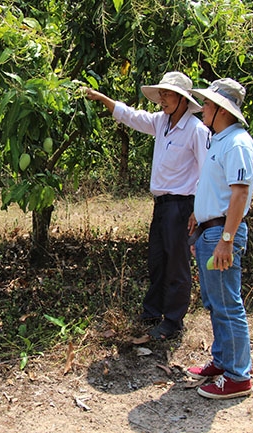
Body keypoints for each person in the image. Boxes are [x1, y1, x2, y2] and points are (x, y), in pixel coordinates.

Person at [85, 72, 209, 340]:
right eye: (161, 94)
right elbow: (131, 116)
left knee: (177, 263)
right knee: (157, 260)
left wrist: (198, 211)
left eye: (168, 95)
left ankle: (173, 321)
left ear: (183, 100)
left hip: (182, 205)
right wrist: (102, 98)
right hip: (162, 204)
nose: (162, 100)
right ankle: (153, 311)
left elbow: (207, 171)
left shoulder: (196, 130)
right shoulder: (161, 123)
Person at [185, 78, 253, 399]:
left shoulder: (237, 143)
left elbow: (239, 194)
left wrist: (226, 238)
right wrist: (197, 216)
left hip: (222, 232)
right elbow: (215, 187)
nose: (203, 110)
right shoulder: (219, 141)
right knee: (215, 302)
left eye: (208, 105)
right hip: (210, 229)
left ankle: (238, 376)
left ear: (222, 110)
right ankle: (223, 361)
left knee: (228, 303)